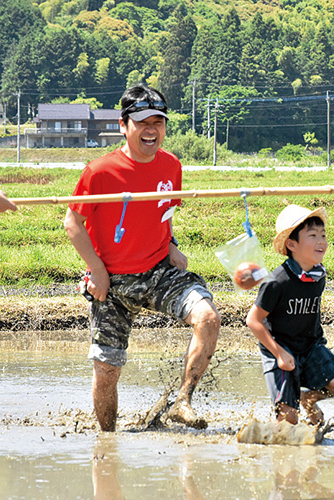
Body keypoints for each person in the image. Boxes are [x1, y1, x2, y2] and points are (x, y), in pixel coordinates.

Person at [64, 85, 220, 432]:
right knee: (107, 371)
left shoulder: (171, 166)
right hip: (113, 283)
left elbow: (161, 215)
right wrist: (97, 270)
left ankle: (183, 401)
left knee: (208, 318)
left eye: (158, 122)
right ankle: (107, 442)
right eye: (142, 122)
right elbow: (72, 222)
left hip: (158, 271)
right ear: (124, 125)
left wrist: (171, 246)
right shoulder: (100, 172)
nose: (151, 130)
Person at [246, 204, 334, 426]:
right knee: (288, 423)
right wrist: (279, 353)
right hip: (280, 348)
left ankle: (308, 400)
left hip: (310, 346)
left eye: (323, 235)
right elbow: (253, 321)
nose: (321, 240)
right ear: (291, 244)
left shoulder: (318, 275)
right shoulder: (276, 282)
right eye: (312, 235)